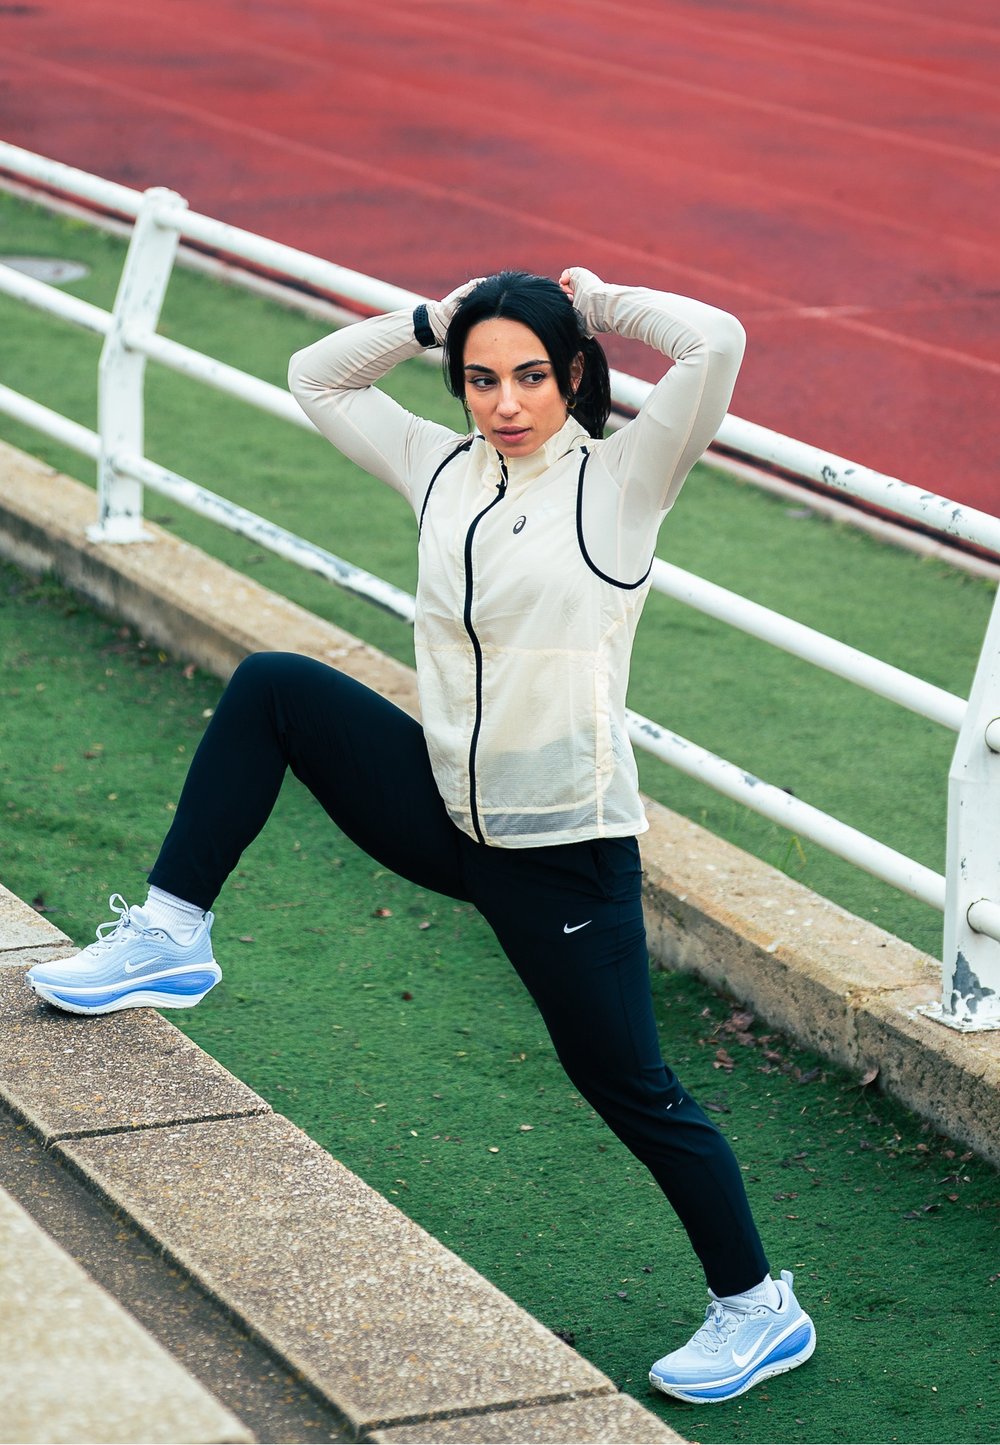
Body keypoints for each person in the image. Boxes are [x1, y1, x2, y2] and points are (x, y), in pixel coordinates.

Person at [26, 267, 816, 1404]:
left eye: (533, 376)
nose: (504, 402)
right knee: (275, 688)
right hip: (445, 808)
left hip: (560, 852)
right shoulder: (439, 466)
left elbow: (721, 337)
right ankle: (171, 931)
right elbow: (313, 375)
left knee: (630, 1087)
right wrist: (428, 321)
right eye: (482, 378)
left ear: (576, 375)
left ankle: (757, 1306)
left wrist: (595, 301)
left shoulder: (623, 482)